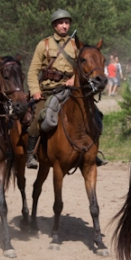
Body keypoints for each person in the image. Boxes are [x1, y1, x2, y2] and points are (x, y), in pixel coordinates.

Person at [25, 9, 107, 169]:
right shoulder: (44, 45)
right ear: (54, 25)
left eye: (67, 23)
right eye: (61, 23)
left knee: (95, 115)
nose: (64, 26)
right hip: (49, 90)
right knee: (38, 117)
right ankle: (31, 154)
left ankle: (93, 152)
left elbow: (84, 67)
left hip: (70, 89)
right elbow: (33, 70)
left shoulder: (76, 46)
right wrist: (35, 90)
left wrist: (73, 79)